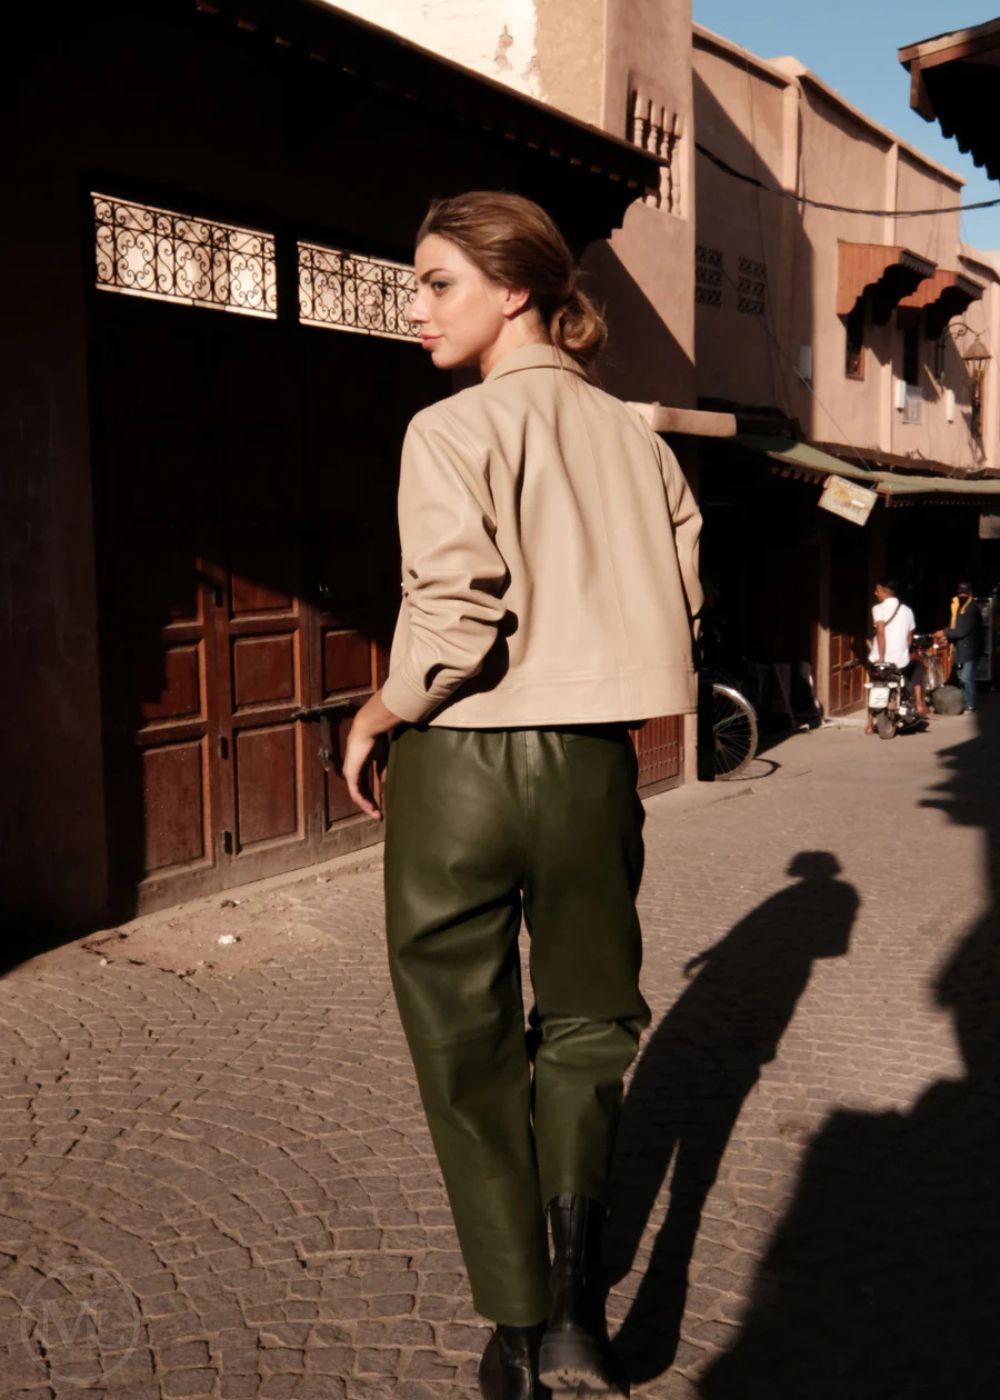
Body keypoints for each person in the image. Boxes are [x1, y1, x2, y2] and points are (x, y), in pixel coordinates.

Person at [341, 191, 702, 1398]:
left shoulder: (447, 431)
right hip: (593, 761)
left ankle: (512, 1323)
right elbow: (686, 603)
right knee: (591, 1026)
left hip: (462, 760)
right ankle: (577, 1319)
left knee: (466, 1041)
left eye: (436, 281)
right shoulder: (641, 441)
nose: (413, 306)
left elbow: (453, 615)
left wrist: (380, 709)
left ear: (514, 292)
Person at [865, 577, 924, 735]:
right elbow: (909, 637)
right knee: (917, 666)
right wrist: (902, 650)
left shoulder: (878, 609)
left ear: (884, 591)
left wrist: (882, 656)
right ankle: (918, 703)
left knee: (874, 683)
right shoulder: (907, 611)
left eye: (877, 590)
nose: (875, 593)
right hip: (900, 659)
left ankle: (870, 724)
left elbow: (880, 632)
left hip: (878, 657)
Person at [935, 581, 984, 714]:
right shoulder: (958, 608)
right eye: (960, 593)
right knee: (962, 678)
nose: (962, 596)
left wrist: (945, 632)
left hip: (971, 650)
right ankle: (965, 702)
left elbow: (962, 631)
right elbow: (957, 629)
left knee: (966, 678)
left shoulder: (971, 609)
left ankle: (970, 705)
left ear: (970, 594)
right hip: (962, 649)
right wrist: (948, 637)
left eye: (965, 593)